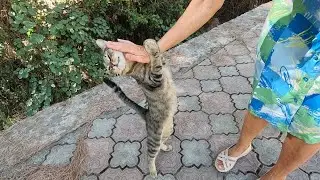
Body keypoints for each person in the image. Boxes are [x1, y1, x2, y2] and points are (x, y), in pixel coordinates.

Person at [106, 0, 320, 179]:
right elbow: (206, 2)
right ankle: (242, 145)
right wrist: (155, 50)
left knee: (310, 128)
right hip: (295, 35)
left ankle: (277, 175)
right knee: (264, 98)